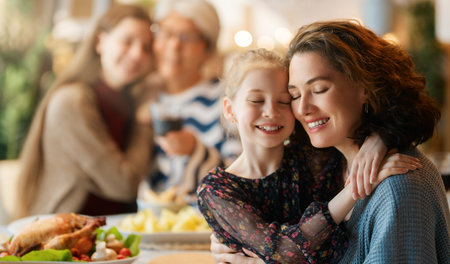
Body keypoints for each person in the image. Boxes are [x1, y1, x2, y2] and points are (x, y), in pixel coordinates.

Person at [212, 20, 450, 263]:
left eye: (319, 89)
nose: (303, 108)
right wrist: (236, 237)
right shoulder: (327, 167)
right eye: (294, 95)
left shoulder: (398, 189)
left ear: (366, 87)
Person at [10, 4, 154, 220]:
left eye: (146, 47)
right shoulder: (72, 101)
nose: (137, 54)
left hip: (112, 234)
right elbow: (125, 185)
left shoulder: (126, 100)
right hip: (64, 237)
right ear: (100, 41)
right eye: (127, 41)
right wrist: (144, 122)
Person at [139, 0, 241, 205]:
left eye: (187, 37)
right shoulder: (144, 95)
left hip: (203, 225)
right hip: (148, 224)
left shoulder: (226, 99)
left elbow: (242, 175)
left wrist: (196, 151)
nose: (174, 46)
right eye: (166, 33)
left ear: (207, 49)